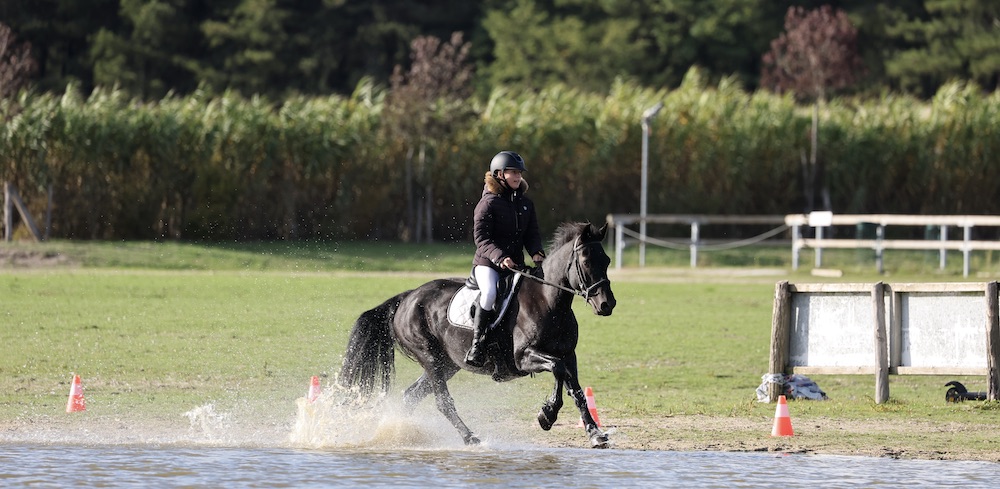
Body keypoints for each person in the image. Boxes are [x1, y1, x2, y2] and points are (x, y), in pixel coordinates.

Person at [465, 150, 546, 367]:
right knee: (490, 292)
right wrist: (500, 257)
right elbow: (481, 238)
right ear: (499, 174)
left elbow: (532, 234)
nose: (518, 177)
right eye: (513, 173)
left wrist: (536, 251)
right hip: (487, 265)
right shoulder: (487, 203)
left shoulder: (525, 203)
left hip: (515, 265)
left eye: (519, 173)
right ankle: (477, 345)